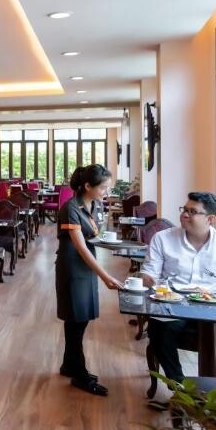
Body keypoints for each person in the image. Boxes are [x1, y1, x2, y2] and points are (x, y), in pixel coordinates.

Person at [140, 191, 216, 384]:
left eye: (192, 212)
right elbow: (149, 274)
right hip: (175, 302)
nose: (184, 215)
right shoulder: (163, 238)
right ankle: (180, 386)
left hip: (214, 304)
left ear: (210, 219)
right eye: (184, 209)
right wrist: (148, 280)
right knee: (159, 328)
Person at [55, 164, 123, 396]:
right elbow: (81, 247)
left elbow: (93, 235)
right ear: (87, 186)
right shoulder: (70, 208)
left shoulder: (95, 204)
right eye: (103, 188)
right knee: (75, 318)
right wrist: (105, 276)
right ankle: (80, 374)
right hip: (73, 266)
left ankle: (69, 365)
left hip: (86, 265)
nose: (106, 192)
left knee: (81, 317)